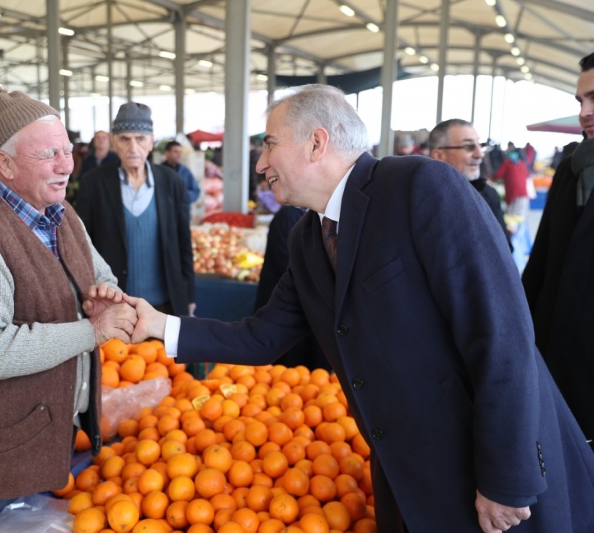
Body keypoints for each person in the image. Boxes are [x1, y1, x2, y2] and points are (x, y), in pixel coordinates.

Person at [109, 84, 594, 533]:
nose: (260, 164)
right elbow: (262, 336)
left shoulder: (419, 186)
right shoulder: (307, 238)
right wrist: (158, 324)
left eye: (270, 144)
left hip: (485, 469)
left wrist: (507, 478)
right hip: (406, 475)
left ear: (316, 143)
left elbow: (501, 333)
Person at [0, 88, 137, 533]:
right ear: (4, 165)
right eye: (48, 154)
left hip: (49, 439)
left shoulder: (62, 214)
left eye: (67, 150)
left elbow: (102, 275)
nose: (66, 164)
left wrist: (106, 294)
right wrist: (90, 331)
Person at [522, 51, 594, 443]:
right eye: (580, 100)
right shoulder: (570, 168)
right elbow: (541, 262)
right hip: (555, 356)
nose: (584, 112)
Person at [76, 102, 196, 317]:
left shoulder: (171, 182)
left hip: (164, 305)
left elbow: (183, 243)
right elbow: (82, 247)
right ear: (114, 142)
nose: (133, 148)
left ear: (151, 142)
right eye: (125, 139)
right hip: (114, 307)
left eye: (140, 139)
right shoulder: (93, 183)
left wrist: (189, 295)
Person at [254, 205, 326, 371]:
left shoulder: (318, 218)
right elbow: (293, 267)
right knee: (286, 372)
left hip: (305, 311)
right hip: (289, 309)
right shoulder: (290, 216)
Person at [429, 119, 512, 251]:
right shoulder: (424, 200)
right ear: (439, 155)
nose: (480, 154)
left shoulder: (487, 193)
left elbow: (505, 248)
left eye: (480, 145)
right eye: (468, 146)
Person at [493, 147, 530, 225]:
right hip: (523, 194)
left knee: (512, 219)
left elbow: (497, 176)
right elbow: (526, 175)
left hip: (513, 194)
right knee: (521, 218)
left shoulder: (507, 164)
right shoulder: (522, 164)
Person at [161, 140, 200, 205]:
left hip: (182, 209)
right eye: (176, 152)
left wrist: (183, 195)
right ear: (167, 153)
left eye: (180, 152)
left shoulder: (185, 171)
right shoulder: (159, 171)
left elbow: (196, 191)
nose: (179, 155)